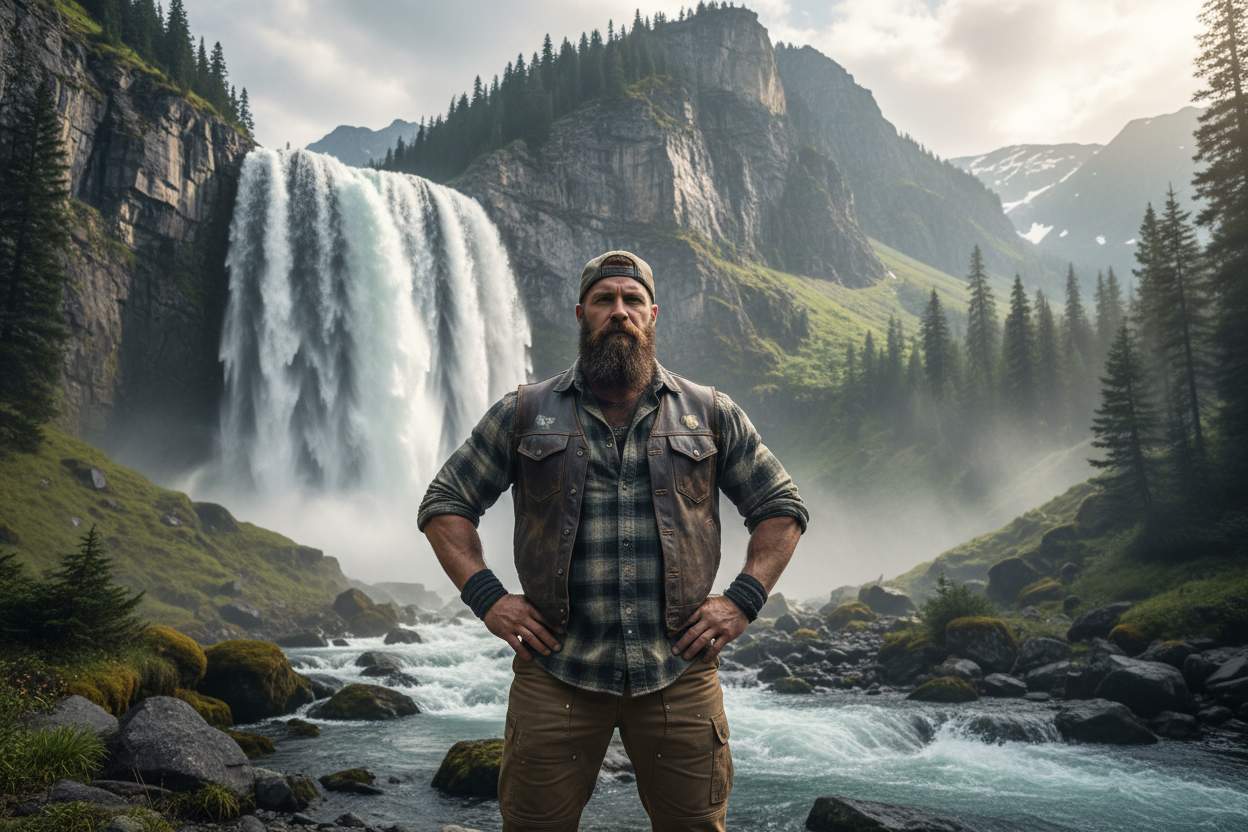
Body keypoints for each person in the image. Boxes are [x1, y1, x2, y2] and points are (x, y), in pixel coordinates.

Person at [418, 250, 807, 832]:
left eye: (632, 300)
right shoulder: (524, 412)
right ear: (582, 314)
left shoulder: (709, 413)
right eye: (604, 300)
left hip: (678, 672)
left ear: (652, 315)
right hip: (557, 672)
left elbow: (781, 507)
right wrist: (489, 599)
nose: (619, 311)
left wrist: (742, 601)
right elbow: (445, 502)